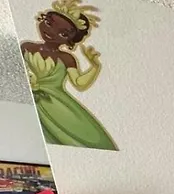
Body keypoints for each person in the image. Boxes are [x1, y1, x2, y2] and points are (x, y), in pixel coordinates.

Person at [21, 1, 118, 151]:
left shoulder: (66, 58)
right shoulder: (26, 47)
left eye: (63, 33)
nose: (51, 32)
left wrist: (94, 66)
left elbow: (79, 83)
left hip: (56, 105)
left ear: (70, 41)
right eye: (49, 23)